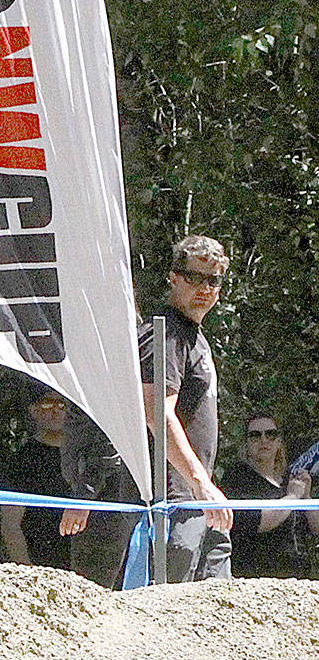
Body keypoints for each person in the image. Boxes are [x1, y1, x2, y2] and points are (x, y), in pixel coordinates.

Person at [60, 234, 233, 584]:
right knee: (165, 613)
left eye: (213, 280)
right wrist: (200, 483)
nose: (204, 288)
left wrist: (203, 488)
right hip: (168, 502)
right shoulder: (165, 333)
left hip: (196, 502)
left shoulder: (191, 336)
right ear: (173, 276)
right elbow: (156, 413)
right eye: (194, 277)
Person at [223, 413, 318, 578]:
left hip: (299, 578)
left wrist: (306, 497)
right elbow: (257, 522)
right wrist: (293, 498)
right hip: (255, 577)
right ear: (245, 443)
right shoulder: (237, 477)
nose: (264, 440)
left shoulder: (289, 478)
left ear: (279, 441)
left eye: (270, 434)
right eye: (255, 435)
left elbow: (316, 528)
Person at [0, 390, 72, 569]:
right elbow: (11, 524)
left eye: (62, 405)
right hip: (40, 564)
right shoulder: (22, 460)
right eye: (48, 404)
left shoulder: (84, 458)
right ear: (34, 410)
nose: (56, 411)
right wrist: (28, 572)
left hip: (82, 562)